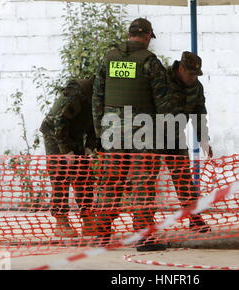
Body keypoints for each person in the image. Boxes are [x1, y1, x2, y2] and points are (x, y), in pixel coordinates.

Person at [92, 18, 167, 251]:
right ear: (146, 36)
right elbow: (164, 103)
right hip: (142, 130)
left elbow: (97, 97)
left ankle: (101, 235)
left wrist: (99, 132)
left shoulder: (108, 58)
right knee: (142, 182)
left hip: (112, 130)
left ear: (129, 34)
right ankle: (144, 237)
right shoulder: (150, 62)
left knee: (109, 181)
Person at [155, 51, 213, 233]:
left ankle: (195, 219)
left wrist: (203, 139)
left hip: (175, 136)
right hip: (151, 136)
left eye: (196, 74)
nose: (193, 78)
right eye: (190, 74)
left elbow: (199, 114)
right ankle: (143, 224)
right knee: (146, 180)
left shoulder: (196, 87)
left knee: (183, 180)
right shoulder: (162, 80)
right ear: (180, 68)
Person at [40, 77, 100, 238]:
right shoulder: (79, 91)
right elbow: (59, 120)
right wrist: (66, 150)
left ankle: (88, 220)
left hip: (76, 133)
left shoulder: (105, 93)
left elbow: (97, 122)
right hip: (55, 132)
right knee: (60, 174)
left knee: (84, 175)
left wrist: (90, 146)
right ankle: (61, 221)